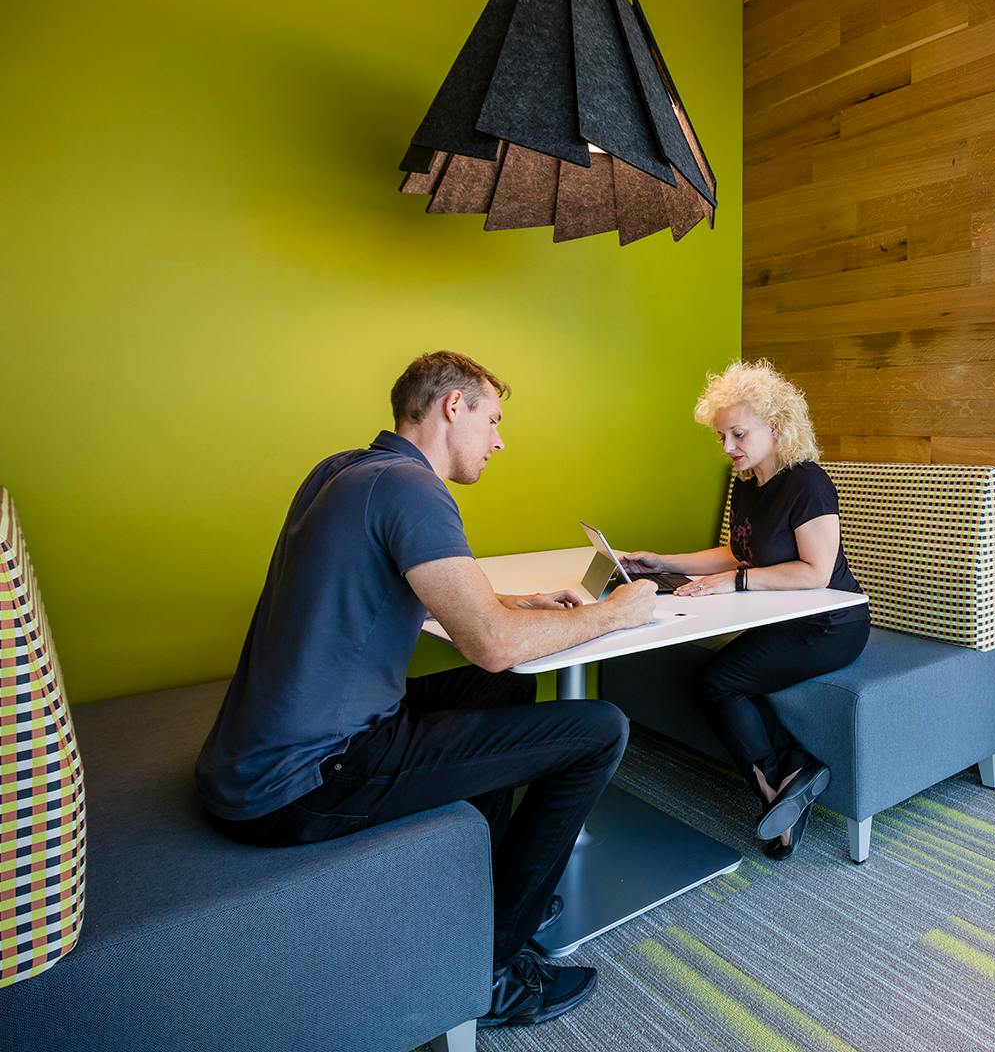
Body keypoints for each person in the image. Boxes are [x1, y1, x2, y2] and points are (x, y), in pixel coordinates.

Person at [194, 351, 659, 1029]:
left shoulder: (345, 471)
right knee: (599, 729)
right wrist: (615, 613)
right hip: (302, 781)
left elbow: (412, 593)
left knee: (501, 692)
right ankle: (490, 971)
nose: (499, 441)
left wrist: (518, 602)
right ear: (453, 406)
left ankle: (485, 898)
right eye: (493, 420)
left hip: (258, 757)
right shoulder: (413, 489)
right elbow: (493, 645)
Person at [621, 360, 869, 860]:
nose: (728, 447)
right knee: (714, 677)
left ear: (774, 427)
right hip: (779, 617)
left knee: (717, 681)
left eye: (738, 434)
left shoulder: (808, 483)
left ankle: (783, 778)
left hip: (830, 624)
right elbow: (738, 552)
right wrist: (663, 561)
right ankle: (789, 780)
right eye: (722, 437)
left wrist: (734, 583)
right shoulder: (748, 483)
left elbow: (816, 572)